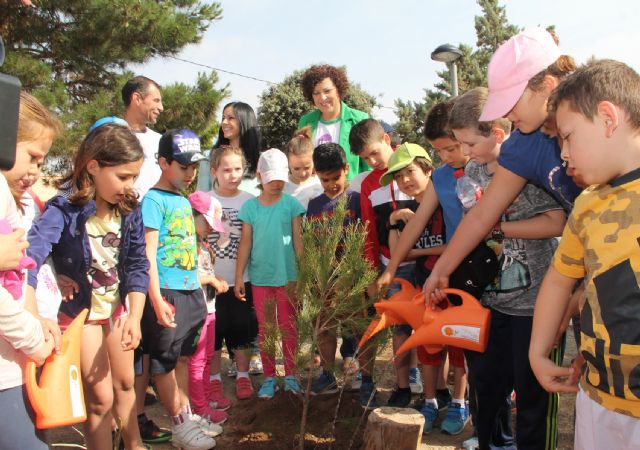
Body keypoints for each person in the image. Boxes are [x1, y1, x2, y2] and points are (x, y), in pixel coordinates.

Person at [377, 100, 512, 449]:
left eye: (454, 147)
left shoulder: (488, 167)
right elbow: (417, 223)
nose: (452, 155)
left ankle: (488, 423)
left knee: (494, 354)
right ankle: (483, 428)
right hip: (460, 273)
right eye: (442, 150)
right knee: (468, 347)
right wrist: (392, 267)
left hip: (501, 269)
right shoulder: (439, 177)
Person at [423, 27, 581, 303]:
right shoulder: (521, 145)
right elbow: (482, 215)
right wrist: (442, 268)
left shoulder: (594, 119)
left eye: (511, 102)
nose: (506, 114)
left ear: (546, 86)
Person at [447, 86, 567, 450]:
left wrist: (499, 227)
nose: (464, 154)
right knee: (487, 389)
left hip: (536, 305)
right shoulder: (473, 170)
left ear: (497, 134)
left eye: (469, 144)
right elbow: (474, 219)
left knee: (533, 399)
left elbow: (558, 221)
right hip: (489, 302)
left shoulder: (533, 165)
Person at [530, 59, 640, 450]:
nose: (562, 153)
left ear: (608, 118)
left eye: (568, 136)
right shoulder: (587, 205)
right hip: (598, 402)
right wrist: (538, 354)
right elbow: (561, 279)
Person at [26, 124, 150, 450]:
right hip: (83, 315)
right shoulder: (64, 208)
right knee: (101, 399)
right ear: (93, 165)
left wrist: (135, 316)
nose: (129, 186)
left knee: (126, 385)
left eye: (134, 177)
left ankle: (134, 445)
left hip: (118, 309)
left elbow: (138, 265)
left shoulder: (130, 209)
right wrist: (48, 282)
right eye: (123, 176)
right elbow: (33, 253)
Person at [376, 143, 474, 435]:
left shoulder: (448, 201)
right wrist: (393, 223)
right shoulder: (409, 211)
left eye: (410, 172)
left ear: (428, 169)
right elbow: (399, 253)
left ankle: (459, 402)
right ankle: (431, 400)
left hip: (454, 283)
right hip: (423, 284)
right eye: (398, 177)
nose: (405, 180)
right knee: (428, 346)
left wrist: (415, 253)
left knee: (458, 344)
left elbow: (458, 241)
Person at [140, 128, 218, 449]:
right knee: (164, 362)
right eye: (183, 167)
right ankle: (179, 422)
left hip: (190, 292)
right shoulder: (153, 200)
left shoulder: (183, 201)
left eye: (193, 168)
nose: (190, 174)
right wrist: (156, 298)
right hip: (167, 294)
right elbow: (147, 254)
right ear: (162, 162)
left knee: (183, 357)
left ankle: (184, 415)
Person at [0, 91, 60, 450]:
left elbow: (18, 277)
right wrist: (35, 339)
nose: (36, 170)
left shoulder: (12, 199)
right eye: (32, 156)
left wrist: (37, 318)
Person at [349, 119, 417, 409]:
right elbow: (367, 231)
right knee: (393, 326)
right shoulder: (366, 184)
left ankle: (425, 384)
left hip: (421, 264)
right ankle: (390, 384)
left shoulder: (414, 169)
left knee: (423, 326)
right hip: (388, 267)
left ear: (387, 139)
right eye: (365, 158)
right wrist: (371, 272)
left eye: (375, 153)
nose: (372, 161)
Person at [234, 148, 304, 399]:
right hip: (261, 277)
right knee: (266, 329)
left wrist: (302, 274)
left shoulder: (292, 205)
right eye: (271, 177)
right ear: (260, 176)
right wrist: (238, 276)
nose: (276, 183)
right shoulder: (250, 208)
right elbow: (245, 243)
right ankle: (270, 377)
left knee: (289, 327)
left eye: (281, 178)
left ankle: (292, 374)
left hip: (289, 278)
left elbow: (298, 240)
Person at [305, 142, 361, 395]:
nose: (331, 184)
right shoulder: (314, 205)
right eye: (324, 179)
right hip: (322, 280)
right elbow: (310, 244)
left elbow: (362, 241)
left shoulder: (356, 200)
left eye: (336, 177)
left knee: (354, 327)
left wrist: (349, 276)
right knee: (325, 328)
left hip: (351, 279)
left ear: (346, 169)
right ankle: (327, 375)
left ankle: (360, 374)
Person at [207, 146, 259, 401]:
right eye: (226, 170)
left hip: (242, 279)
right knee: (214, 332)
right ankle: (214, 378)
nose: (233, 174)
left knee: (242, 329)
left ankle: (242, 375)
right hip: (210, 282)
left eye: (238, 169)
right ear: (214, 171)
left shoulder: (249, 201)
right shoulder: (203, 199)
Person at [187, 191, 230, 428]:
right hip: (196, 309)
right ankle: (199, 407)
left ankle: (206, 398)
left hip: (209, 308)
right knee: (197, 360)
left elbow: (204, 272)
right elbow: (185, 275)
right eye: (207, 222)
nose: (211, 229)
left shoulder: (203, 244)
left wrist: (216, 278)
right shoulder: (185, 244)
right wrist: (210, 281)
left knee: (208, 357)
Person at [298, 64, 369, 180]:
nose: (322, 97)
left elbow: (369, 167)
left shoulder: (360, 120)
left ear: (338, 90)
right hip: (312, 195)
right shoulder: (305, 122)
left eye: (327, 91)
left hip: (350, 195)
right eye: (316, 93)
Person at [198, 101, 262, 197]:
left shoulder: (261, 160)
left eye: (230, 118)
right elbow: (201, 194)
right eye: (223, 118)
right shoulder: (209, 156)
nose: (224, 122)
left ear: (244, 121)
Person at [121, 76, 164, 199]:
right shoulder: (111, 136)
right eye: (156, 100)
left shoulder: (160, 140)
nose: (161, 108)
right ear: (137, 98)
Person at [283, 126, 323, 209]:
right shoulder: (282, 185)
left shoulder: (320, 183)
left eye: (307, 168)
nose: (302, 173)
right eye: (296, 168)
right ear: (287, 163)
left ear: (314, 162)